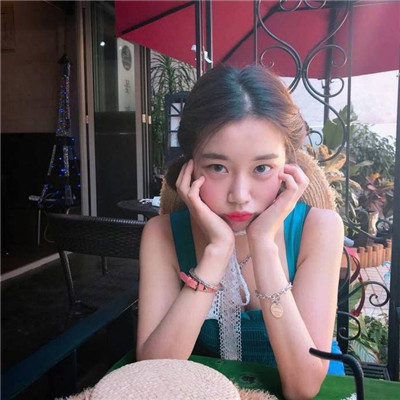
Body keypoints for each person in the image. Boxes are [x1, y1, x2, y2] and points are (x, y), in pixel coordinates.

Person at [136, 65, 344, 400]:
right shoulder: (162, 235)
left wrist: (264, 247)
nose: (239, 195)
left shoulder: (318, 229)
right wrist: (216, 252)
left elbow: (303, 387)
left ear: (288, 166)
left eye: (262, 168)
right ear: (191, 167)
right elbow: (154, 375)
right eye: (218, 167)